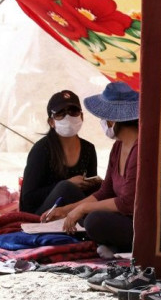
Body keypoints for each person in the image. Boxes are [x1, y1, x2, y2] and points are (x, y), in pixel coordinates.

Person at [41, 82, 139, 255]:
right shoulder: (118, 147)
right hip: (122, 217)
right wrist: (67, 210)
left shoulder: (140, 149)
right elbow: (105, 192)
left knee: (93, 219)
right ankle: (113, 245)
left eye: (103, 118)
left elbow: (128, 203)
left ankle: (123, 247)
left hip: (140, 224)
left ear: (112, 120)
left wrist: (82, 208)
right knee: (84, 213)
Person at [19, 90, 100, 215]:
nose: (68, 117)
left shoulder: (88, 149)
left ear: (81, 116)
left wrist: (93, 184)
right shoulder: (42, 149)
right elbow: (28, 197)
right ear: (51, 122)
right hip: (41, 215)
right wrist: (67, 184)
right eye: (60, 113)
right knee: (65, 188)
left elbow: (90, 193)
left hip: (75, 211)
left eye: (73, 111)